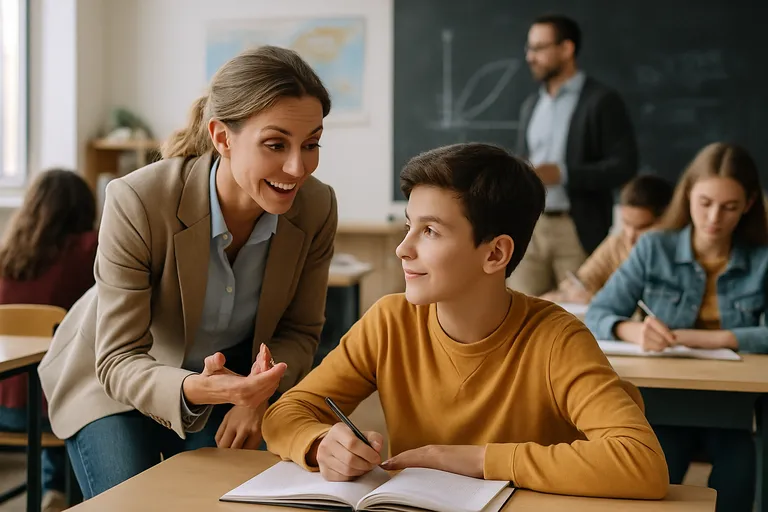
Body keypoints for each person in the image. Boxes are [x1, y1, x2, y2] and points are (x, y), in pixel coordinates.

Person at [262, 143, 669, 499]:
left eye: (430, 231)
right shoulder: (389, 321)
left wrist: (475, 460)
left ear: (495, 254)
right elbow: (286, 413)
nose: (403, 248)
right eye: (409, 226)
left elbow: (641, 461)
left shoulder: (557, 339)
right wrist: (320, 443)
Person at [37, 45, 338, 499]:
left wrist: (258, 394)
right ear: (222, 137)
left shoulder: (317, 207)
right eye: (276, 145)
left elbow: (300, 332)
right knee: (139, 505)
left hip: (227, 387)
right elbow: (117, 360)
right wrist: (198, 388)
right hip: (113, 384)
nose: (298, 168)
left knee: (229, 499)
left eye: (311, 144)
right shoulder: (138, 200)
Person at [585, 142, 768, 512]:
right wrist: (633, 331)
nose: (714, 217)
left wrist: (710, 338)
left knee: (738, 484)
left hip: (735, 410)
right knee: (651, 489)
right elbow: (599, 313)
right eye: (705, 203)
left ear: (749, 204)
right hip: (664, 404)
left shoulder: (763, 259)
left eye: (729, 206)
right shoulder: (654, 247)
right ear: (687, 196)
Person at [507, 14, 638, 296]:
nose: (530, 57)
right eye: (529, 48)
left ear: (566, 49)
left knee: (577, 311)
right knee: (517, 308)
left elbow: (624, 165)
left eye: (539, 48)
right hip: (531, 226)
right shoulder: (532, 105)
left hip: (577, 228)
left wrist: (563, 174)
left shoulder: (601, 100)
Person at [0, 169, 97, 512]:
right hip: (52, 409)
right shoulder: (89, 249)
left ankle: (52, 486)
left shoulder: (9, 254)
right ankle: (59, 490)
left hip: (3, 408)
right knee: (81, 383)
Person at [542, 174, 673, 303]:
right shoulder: (617, 243)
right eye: (626, 223)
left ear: (667, 220)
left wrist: (599, 300)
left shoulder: (677, 252)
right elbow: (584, 279)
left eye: (642, 227)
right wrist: (571, 292)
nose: (630, 235)